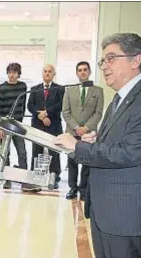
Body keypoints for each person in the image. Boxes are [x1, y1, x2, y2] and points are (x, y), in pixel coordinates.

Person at [54, 33, 141, 258]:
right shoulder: (120, 99)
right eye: (103, 61)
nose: (104, 66)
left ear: (135, 60)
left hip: (125, 211)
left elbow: (131, 152)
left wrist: (78, 147)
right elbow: (121, 141)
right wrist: (96, 140)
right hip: (107, 206)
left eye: (111, 58)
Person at [62, 61, 104, 200]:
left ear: (90, 72)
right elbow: (66, 112)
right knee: (72, 161)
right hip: (72, 132)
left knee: (86, 161)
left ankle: (84, 189)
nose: (82, 72)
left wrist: (86, 128)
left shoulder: (98, 91)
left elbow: (98, 113)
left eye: (85, 70)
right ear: (76, 73)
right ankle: (72, 188)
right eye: (79, 70)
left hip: (88, 133)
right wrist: (76, 127)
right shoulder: (69, 89)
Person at [0, 62, 40, 191]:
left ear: (18, 74)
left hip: (18, 125)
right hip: (5, 125)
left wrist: (19, 120)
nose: (12, 75)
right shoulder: (2, 88)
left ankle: (24, 180)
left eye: (14, 72)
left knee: (22, 152)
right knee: (5, 154)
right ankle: (7, 180)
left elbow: (22, 104)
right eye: (10, 72)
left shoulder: (22, 86)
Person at [27, 64, 64, 189]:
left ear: (54, 74)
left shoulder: (60, 89)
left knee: (54, 152)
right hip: (38, 125)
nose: (47, 73)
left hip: (53, 125)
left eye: (50, 72)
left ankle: (55, 178)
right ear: (42, 73)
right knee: (36, 151)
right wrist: (41, 116)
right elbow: (30, 106)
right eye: (45, 71)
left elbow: (60, 105)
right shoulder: (34, 88)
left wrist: (47, 113)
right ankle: (36, 177)